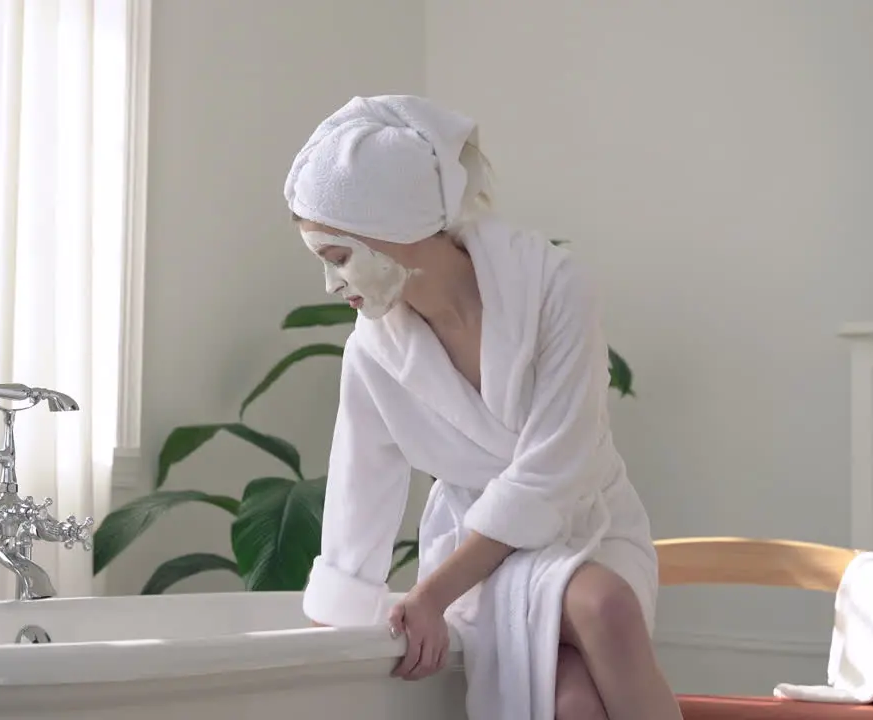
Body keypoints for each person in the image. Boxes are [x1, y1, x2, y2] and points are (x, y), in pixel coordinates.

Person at [283, 95, 682, 720]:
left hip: (593, 529)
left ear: (395, 227)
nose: (332, 286)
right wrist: (317, 676)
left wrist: (430, 596)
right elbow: (357, 507)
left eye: (337, 258)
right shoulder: (373, 354)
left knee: (604, 604)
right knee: (574, 705)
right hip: (477, 559)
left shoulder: (555, 288)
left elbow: (556, 471)